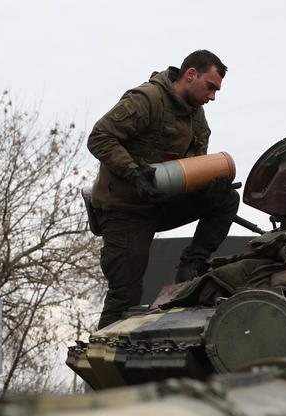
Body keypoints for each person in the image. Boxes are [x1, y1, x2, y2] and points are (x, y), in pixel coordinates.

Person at [87, 49, 239, 329]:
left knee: (226, 198)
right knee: (124, 298)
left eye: (216, 91)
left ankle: (192, 264)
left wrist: (210, 187)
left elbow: (194, 165)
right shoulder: (147, 99)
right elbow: (99, 137)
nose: (212, 96)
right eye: (210, 87)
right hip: (125, 210)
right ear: (191, 74)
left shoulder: (196, 117)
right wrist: (134, 174)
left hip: (162, 202)